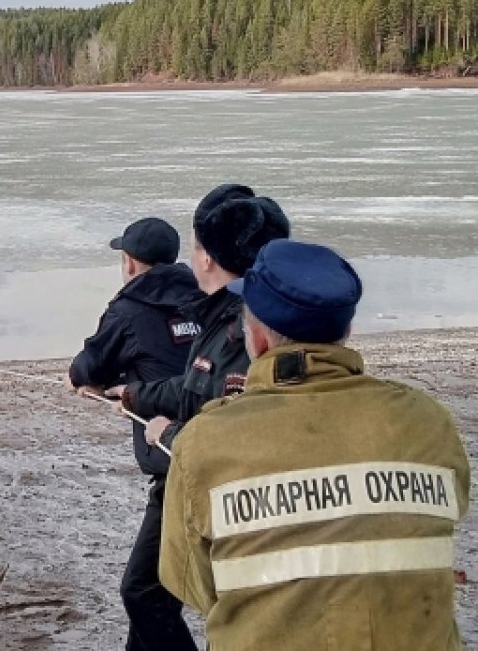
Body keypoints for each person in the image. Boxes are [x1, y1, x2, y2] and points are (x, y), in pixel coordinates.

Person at [161, 239, 470, 649]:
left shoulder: (204, 441)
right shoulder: (430, 420)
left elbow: (191, 585)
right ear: (347, 332)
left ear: (257, 341)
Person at [105, 184, 290, 651]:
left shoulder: (244, 324)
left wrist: (169, 433)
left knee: (150, 593)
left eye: (196, 245)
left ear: (205, 256)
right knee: (153, 596)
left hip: (201, 483)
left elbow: (239, 429)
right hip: (186, 480)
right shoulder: (216, 312)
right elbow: (192, 386)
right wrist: (135, 394)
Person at [70, 217, 203, 476]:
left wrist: (75, 378)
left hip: (165, 446)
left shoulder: (127, 311)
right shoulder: (205, 296)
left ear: (129, 263)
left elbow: (90, 367)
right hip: (209, 432)